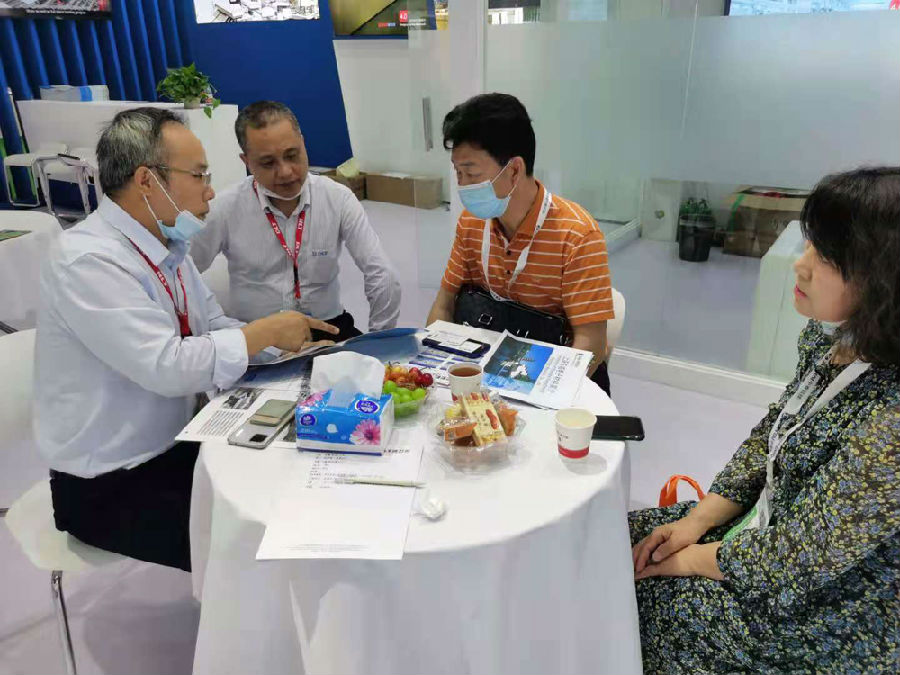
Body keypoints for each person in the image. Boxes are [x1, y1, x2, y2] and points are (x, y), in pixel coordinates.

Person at [34, 107, 338, 572]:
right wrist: (262, 332)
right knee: (265, 543)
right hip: (112, 481)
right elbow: (167, 366)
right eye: (198, 175)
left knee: (296, 478)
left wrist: (284, 349)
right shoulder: (88, 261)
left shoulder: (165, 247)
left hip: (179, 443)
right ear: (147, 181)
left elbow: (212, 322)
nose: (210, 190)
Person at [629, 167, 900, 674]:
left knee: (641, 600)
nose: (801, 264)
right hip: (764, 531)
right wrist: (696, 521)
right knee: (617, 539)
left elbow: (801, 558)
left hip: (830, 611)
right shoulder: (833, 339)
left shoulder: (891, 423)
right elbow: (773, 434)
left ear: (884, 281)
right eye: (810, 243)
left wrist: (688, 561)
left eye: (826, 256)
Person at [426, 93, 615, 395]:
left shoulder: (577, 235)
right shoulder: (472, 222)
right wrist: (437, 368)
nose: (462, 185)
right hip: (488, 371)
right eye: (458, 173)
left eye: (472, 173)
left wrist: (543, 395)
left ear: (514, 170)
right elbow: (443, 306)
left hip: (556, 378)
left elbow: (591, 342)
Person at [190, 100, 401, 342]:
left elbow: (383, 276)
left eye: (292, 155)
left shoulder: (337, 198)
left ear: (303, 143)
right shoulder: (226, 208)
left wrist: (378, 341)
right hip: (259, 335)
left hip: (329, 327)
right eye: (268, 163)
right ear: (246, 162)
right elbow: (182, 276)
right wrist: (222, 333)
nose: (286, 172)